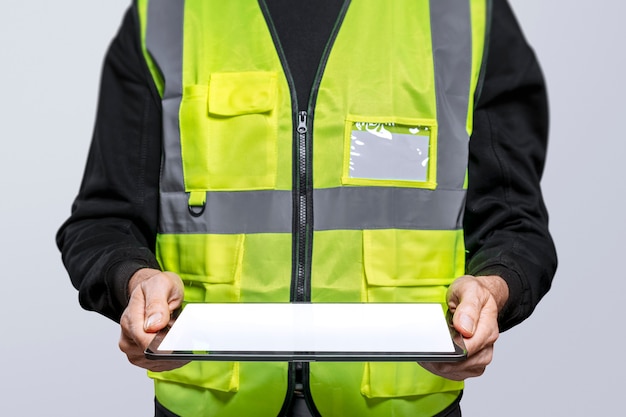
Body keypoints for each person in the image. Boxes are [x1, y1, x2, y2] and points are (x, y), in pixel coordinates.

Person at [57, 0, 557, 416]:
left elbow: (516, 224)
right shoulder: (168, 13)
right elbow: (103, 222)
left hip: (404, 406)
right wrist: (135, 280)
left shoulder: (462, 11)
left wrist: (493, 288)